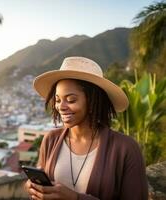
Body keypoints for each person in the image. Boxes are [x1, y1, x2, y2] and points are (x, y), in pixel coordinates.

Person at [24, 57, 148, 200]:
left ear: (93, 101)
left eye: (71, 100)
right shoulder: (50, 139)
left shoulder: (125, 149)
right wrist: (34, 187)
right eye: (57, 100)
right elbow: (41, 177)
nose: (61, 107)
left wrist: (75, 198)